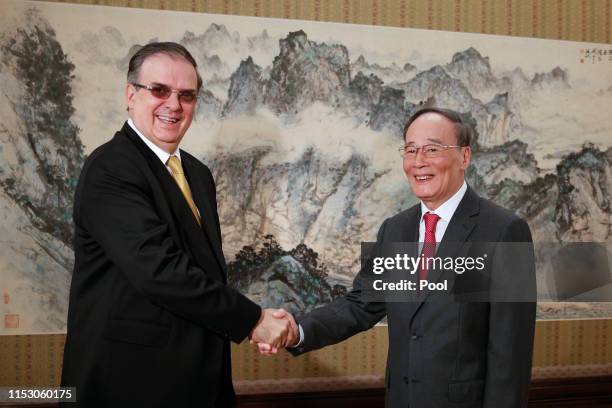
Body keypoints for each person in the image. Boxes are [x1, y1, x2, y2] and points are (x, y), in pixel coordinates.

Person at [61, 42, 296, 407]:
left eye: (187, 95)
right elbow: (161, 272)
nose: (174, 105)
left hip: (198, 384)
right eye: (159, 90)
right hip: (129, 386)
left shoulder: (198, 175)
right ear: (131, 95)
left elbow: (204, 270)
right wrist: (254, 321)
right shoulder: (110, 168)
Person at [263, 107, 536, 408]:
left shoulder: (503, 230)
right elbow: (359, 305)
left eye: (433, 149)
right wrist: (297, 331)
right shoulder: (395, 230)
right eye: (410, 150)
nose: (419, 162)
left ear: (464, 157)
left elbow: (510, 354)